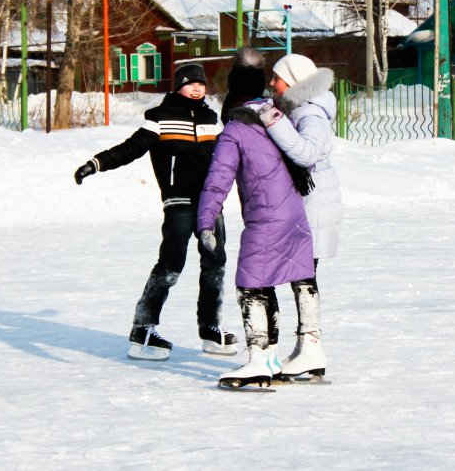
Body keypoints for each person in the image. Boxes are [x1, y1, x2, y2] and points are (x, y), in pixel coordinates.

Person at [73, 63, 238, 361]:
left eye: (201, 83)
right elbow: (130, 148)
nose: (197, 87)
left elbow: (229, 156)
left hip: (211, 204)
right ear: (177, 87)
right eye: (190, 83)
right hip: (179, 203)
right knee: (170, 266)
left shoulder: (212, 120)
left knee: (215, 264)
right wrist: (96, 163)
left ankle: (210, 327)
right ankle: (143, 328)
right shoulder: (160, 119)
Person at [197, 48, 315, 388]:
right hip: (294, 213)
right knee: (270, 280)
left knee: (250, 284)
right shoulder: (278, 118)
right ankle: (276, 354)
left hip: (266, 218)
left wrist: (206, 223)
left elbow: (217, 181)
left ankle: (259, 359)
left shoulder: (235, 130)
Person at [251, 53, 343, 379]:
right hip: (307, 201)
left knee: (303, 277)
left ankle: (311, 346)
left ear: (293, 80)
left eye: (277, 78)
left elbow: (307, 153)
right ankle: (308, 348)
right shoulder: (302, 108)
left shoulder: (310, 113)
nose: (273, 84)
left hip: (312, 203)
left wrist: (272, 121)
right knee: (300, 276)